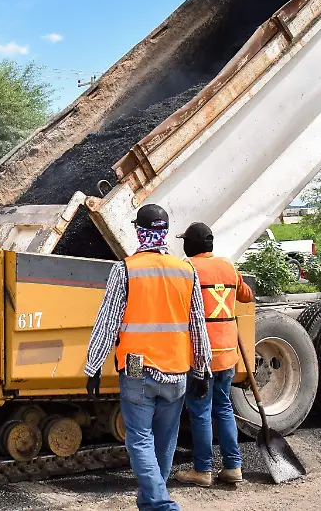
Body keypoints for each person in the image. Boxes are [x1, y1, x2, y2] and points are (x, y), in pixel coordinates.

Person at [84, 204, 211, 511]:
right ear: (165, 232)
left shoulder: (126, 269)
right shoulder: (186, 271)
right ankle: (150, 501)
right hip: (176, 369)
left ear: (138, 231)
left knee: (140, 439)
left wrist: (94, 366)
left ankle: (160, 504)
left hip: (137, 367)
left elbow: (108, 322)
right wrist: (201, 369)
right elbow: (198, 324)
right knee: (165, 441)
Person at [173, 222, 254, 488]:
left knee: (200, 412)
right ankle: (233, 466)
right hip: (228, 353)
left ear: (190, 244)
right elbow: (246, 296)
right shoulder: (228, 266)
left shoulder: (187, 268)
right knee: (224, 408)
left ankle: (203, 470)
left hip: (201, 355)